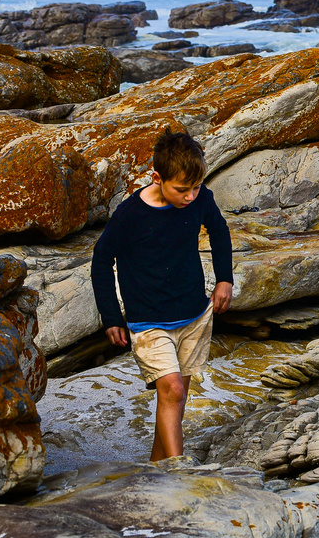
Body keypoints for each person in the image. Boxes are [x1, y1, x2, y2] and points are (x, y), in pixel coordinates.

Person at [91, 129, 234, 461]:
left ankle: (158, 468)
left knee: (175, 397)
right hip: (149, 321)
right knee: (172, 389)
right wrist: (111, 316)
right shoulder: (130, 215)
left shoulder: (201, 199)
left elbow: (219, 231)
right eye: (182, 189)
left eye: (196, 187)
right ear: (157, 178)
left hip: (194, 316)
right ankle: (181, 473)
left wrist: (224, 279)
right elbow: (101, 259)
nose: (190, 197)